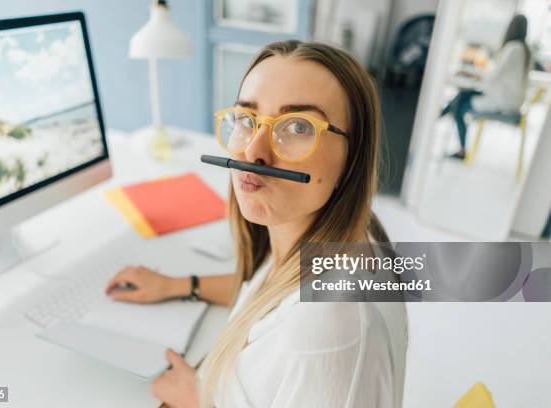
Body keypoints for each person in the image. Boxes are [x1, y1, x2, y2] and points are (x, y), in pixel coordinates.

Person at [105, 40, 408, 407]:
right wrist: (179, 285)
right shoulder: (340, 232)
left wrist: (197, 400)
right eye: (246, 119)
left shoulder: (326, 325)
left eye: (297, 126)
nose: (254, 151)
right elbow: (270, 295)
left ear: (353, 155)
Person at [441, 14, 531, 160]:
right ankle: (440, 116)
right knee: (462, 97)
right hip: (510, 100)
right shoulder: (525, 50)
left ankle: (443, 122)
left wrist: (471, 72)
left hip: (503, 102)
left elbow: (494, 76)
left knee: (460, 105)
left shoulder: (513, 48)